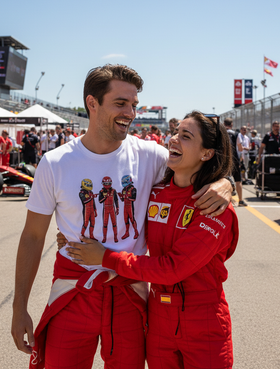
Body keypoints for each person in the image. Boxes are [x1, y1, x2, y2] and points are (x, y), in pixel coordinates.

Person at [11, 64, 233, 369]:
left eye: (133, 104)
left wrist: (226, 183)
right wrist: (18, 307)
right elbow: (33, 236)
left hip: (128, 291)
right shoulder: (55, 163)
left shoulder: (152, 156)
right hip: (74, 290)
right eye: (120, 103)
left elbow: (201, 166)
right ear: (92, 103)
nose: (130, 112)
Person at [66, 111, 238, 369]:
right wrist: (71, 233)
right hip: (158, 321)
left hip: (204, 322)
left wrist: (105, 257)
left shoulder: (214, 206)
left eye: (186, 136)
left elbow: (172, 269)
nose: (174, 140)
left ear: (207, 153)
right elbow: (124, 226)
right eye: (176, 133)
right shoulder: (155, 193)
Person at [224, 118, 247, 206]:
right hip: (234, 159)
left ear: (224, 124)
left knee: (225, 179)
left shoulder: (221, 133)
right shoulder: (236, 134)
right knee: (238, 180)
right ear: (232, 124)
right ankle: (240, 200)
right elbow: (240, 148)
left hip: (224, 160)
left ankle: (227, 200)